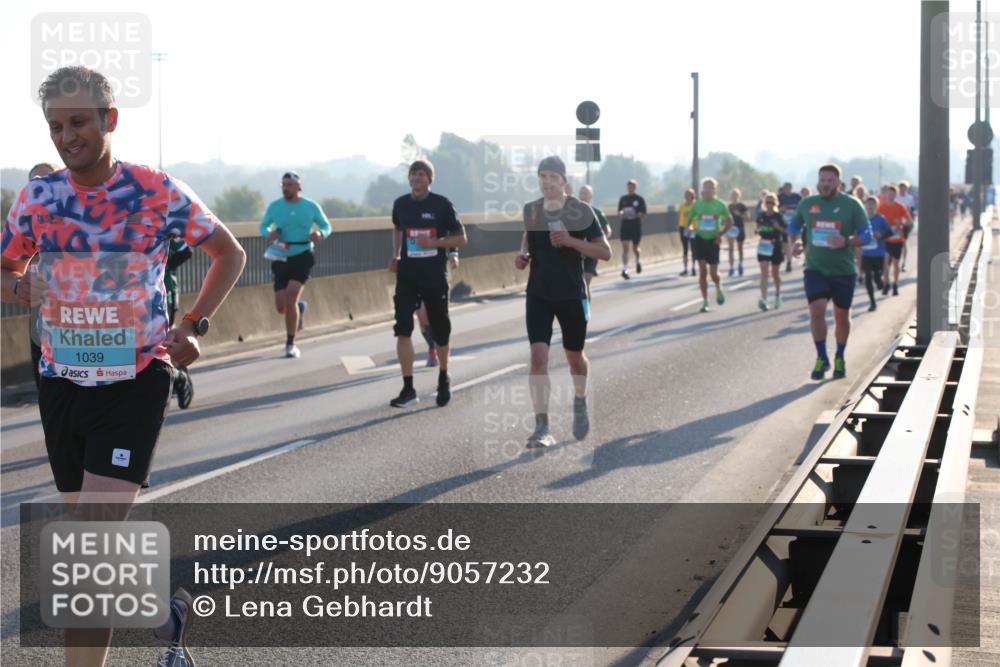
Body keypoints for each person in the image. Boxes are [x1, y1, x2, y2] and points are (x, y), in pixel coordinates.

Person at [1, 65, 245, 667]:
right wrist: (19, 286)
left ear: (110, 120)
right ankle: (163, 612)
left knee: (85, 550)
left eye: (78, 122)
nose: (66, 137)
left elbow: (229, 252)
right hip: (61, 382)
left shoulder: (155, 191)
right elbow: (5, 270)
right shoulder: (38, 197)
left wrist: (193, 325)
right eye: (55, 126)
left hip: (134, 381)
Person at [514, 156, 611, 447]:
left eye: (552, 177)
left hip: (571, 294)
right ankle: (542, 427)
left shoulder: (581, 210)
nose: (546, 182)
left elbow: (605, 252)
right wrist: (523, 255)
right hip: (539, 294)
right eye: (542, 176)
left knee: (574, 357)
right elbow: (527, 238)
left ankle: (580, 400)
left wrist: (570, 241)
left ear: (563, 181)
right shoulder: (531, 210)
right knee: (538, 357)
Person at [388, 159, 467, 408]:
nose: (416, 178)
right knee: (402, 328)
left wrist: (434, 244)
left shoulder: (442, 205)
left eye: (421, 174)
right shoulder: (401, 204)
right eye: (413, 174)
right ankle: (408, 387)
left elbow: (461, 238)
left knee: (441, 332)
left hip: (434, 276)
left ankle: (444, 376)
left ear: (429, 179)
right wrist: (397, 254)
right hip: (408, 275)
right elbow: (397, 228)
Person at [790, 164, 871, 380]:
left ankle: (840, 356)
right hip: (815, 268)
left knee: (841, 317)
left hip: (843, 270)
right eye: (822, 180)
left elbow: (867, 236)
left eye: (830, 181)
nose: (825, 184)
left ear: (838, 182)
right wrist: (797, 242)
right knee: (816, 311)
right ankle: (821, 356)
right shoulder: (808, 204)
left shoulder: (852, 205)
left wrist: (846, 241)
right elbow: (794, 226)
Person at [259, 171, 331, 358]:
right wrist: (269, 233)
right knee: (281, 306)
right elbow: (263, 226)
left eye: (290, 185)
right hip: (281, 255)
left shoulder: (310, 206)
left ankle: (290, 343)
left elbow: (326, 225)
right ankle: (299, 308)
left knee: (290, 296)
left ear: (299, 186)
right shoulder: (275, 206)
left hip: (303, 253)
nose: (286, 188)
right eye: (283, 185)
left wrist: (320, 234)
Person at [24, 162, 58, 389]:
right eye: (35, 183)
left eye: (48, 181)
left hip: (77, 323)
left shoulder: (78, 222)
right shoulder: (24, 225)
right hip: (40, 319)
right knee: (44, 386)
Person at [687, 177, 732, 312]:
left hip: (713, 240)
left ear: (714, 189)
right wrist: (690, 229)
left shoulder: (720, 205)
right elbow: (689, 222)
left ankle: (718, 287)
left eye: (711, 187)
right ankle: (705, 301)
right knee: (702, 272)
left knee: (713, 274)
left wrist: (720, 234)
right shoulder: (697, 205)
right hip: (700, 239)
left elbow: (730, 221)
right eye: (706, 187)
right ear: (702, 189)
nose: (708, 189)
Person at [415, 249, 460, 368]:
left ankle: (436, 347)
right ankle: (432, 347)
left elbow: (453, 232)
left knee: (427, 315)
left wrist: (453, 253)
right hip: (414, 271)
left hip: (435, 272)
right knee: (420, 315)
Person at [876, 183, 912, 296]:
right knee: (885, 263)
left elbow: (909, 222)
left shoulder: (900, 206)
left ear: (896, 195)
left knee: (896, 264)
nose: (891, 196)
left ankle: (895, 284)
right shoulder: (881, 207)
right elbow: (876, 221)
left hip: (897, 240)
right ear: (886, 194)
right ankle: (886, 284)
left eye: (893, 194)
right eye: (889, 194)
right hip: (885, 240)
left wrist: (901, 223)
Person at [579, 184, 612, 300]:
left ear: (591, 196)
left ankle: (586, 311)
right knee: (578, 284)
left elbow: (607, 230)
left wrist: (601, 243)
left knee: (586, 282)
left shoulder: (597, 212)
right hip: (578, 252)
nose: (582, 196)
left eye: (585, 193)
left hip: (592, 252)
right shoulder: (573, 212)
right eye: (581, 193)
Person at [755, 192, 786, 310]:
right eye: (767, 202)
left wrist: (778, 227)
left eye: (772, 202)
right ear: (764, 203)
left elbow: (787, 231)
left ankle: (777, 295)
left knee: (775, 274)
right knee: (764, 272)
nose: (769, 204)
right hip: (763, 245)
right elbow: (757, 226)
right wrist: (757, 231)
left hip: (775, 245)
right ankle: (764, 299)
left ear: (775, 203)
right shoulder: (761, 215)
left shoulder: (779, 216)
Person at [860, 196, 891, 311]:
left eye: (872, 204)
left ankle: (881, 282)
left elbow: (889, 232)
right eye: (868, 204)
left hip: (879, 254)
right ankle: (872, 302)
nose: (870, 206)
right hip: (866, 253)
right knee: (868, 277)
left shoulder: (881, 219)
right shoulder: (861, 219)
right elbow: (856, 232)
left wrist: (881, 235)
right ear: (864, 205)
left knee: (877, 278)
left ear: (876, 206)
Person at [617, 179, 646, 279]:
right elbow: (619, 211)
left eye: (632, 187)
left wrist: (636, 214)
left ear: (635, 187)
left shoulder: (640, 199)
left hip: (635, 226)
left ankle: (638, 260)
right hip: (625, 226)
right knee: (625, 248)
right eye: (629, 187)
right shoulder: (623, 199)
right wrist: (622, 214)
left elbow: (643, 214)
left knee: (635, 248)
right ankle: (625, 269)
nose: (630, 188)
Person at [778, 182, 802, 272]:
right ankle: (789, 262)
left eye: (788, 189)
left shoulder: (797, 197)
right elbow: (775, 209)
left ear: (791, 188)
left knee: (794, 242)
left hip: (795, 222)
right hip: (784, 223)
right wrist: (780, 209)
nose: (786, 191)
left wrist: (796, 211)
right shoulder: (779, 197)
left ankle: (794, 256)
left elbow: (802, 207)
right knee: (787, 243)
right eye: (785, 189)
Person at [726, 188, 748, 277]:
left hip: (740, 227)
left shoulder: (742, 205)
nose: (734, 196)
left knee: (740, 248)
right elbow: (725, 217)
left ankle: (741, 264)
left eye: (736, 194)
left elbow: (747, 216)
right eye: (733, 194)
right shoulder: (729, 206)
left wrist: (739, 214)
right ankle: (731, 267)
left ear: (739, 196)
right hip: (731, 228)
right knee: (731, 248)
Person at [897, 180, 916, 271]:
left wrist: (911, 223)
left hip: (905, 224)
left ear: (907, 188)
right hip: (896, 224)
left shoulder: (910, 198)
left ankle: (904, 263)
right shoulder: (896, 197)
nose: (902, 189)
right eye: (901, 187)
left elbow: (912, 212)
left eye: (904, 187)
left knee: (903, 242)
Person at [677, 188, 697, 276]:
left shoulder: (695, 205)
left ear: (692, 196)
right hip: (683, 228)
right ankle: (685, 268)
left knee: (693, 248)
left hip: (693, 228)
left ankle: (693, 267)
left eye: (689, 194)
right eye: (686, 194)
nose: (687, 196)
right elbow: (680, 217)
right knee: (685, 249)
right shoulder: (682, 206)